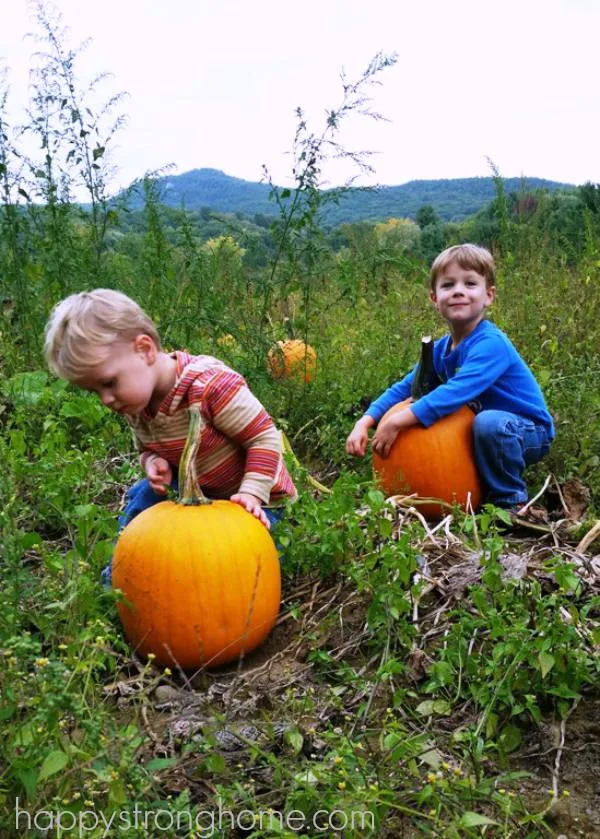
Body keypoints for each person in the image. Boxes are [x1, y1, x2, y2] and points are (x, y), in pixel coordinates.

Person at [44, 289, 297, 581]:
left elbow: (263, 437)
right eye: (95, 391)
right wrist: (152, 462)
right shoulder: (135, 402)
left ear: (145, 349)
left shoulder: (210, 387)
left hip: (258, 495)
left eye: (109, 383)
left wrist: (252, 493)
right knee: (143, 495)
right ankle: (124, 575)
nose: (106, 399)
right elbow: (145, 449)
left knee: (249, 563)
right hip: (197, 491)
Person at [346, 244, 554, 511]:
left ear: (489, 295)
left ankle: (510, 501)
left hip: (526, 430)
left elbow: (455, 392)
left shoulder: (491, 344)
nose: (458, 291)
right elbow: (405, 387)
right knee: (481, 426)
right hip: (486, 430)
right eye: (448, 285)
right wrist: (366, 421)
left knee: (489, 424)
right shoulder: (443, 348)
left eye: (470, 283)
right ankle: (481, 484)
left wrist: (398, 420)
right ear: (434, 298)